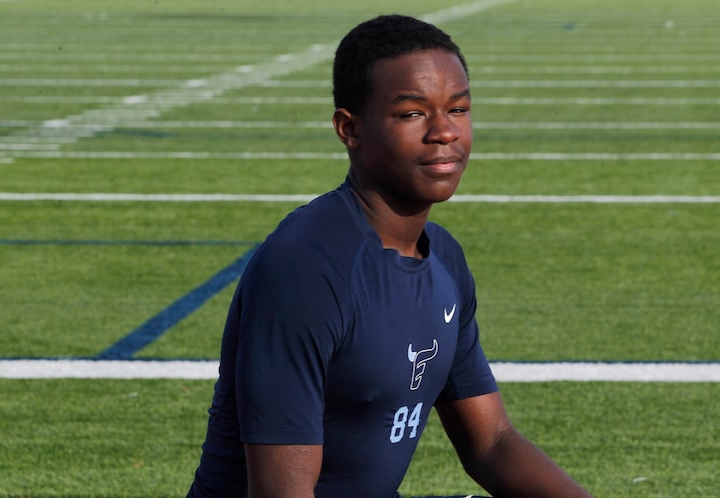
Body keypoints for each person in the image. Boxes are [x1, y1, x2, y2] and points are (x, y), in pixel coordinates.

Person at [187, 14, 592, 498]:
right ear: (349, 129)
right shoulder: (306, 269)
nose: (444, 132)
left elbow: (493, 443)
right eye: (412, 114)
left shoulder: (444, 257)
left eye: (458, 110)